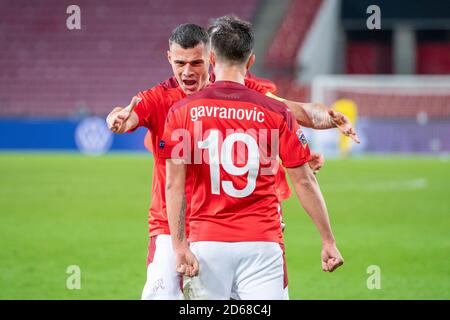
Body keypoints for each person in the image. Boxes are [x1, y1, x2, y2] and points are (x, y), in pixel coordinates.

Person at [106, 23, 352, 299]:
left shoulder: (206, 102)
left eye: (196, 63)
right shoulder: (160, 97)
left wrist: (330, 117)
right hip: (172, 224)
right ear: (169, 59)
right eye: (180, 63)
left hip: (211, 229)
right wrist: (115, 118)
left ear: (210, 58)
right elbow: (126, 115)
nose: (187, 71)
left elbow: (297, 110)